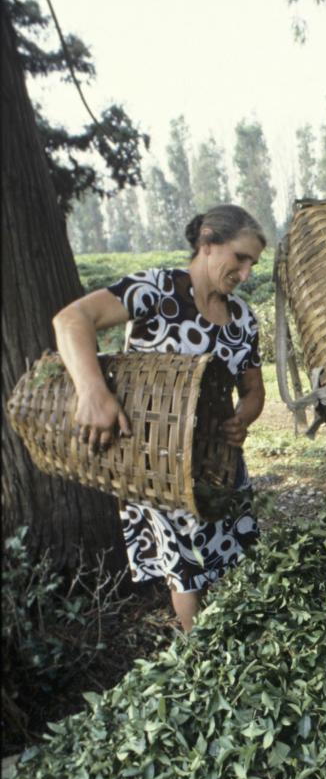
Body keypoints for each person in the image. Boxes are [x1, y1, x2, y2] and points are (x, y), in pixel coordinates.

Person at [53, 204, 267, 633]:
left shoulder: (243, 320)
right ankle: (201, 655)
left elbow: (255, 391)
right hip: (159, 464)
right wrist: (92, 390)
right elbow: (71, 319)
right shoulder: (158, 289)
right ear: (208, 241)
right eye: (240, 258)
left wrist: (242, 418)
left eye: (252, 264)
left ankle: (243, 643)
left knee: (240, 555)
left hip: (218, 462)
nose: (245, 274)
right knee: (186, 570)